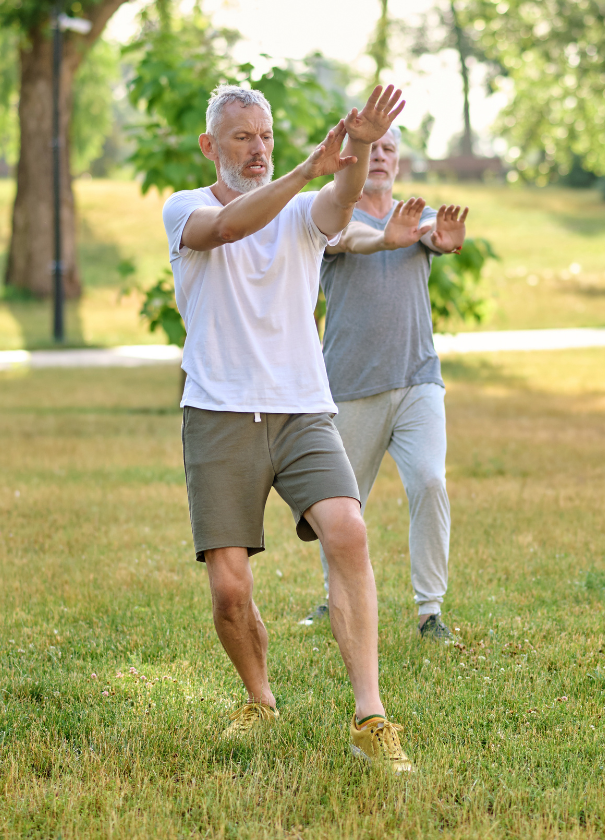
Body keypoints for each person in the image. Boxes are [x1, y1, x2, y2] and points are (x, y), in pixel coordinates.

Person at [162, 83, 413, 771]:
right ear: (212, 146)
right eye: (243, 137)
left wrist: (358, 147)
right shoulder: (183, 207)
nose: (259, 148)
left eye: (265, 135)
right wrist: (307, 167)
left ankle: (371, 714)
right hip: (219, 412)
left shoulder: (304, 212)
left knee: (348, 529)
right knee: (230, 588)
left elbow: (341, 199)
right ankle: (260, 698)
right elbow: (228, 228)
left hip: (302, 405)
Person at [300, 126, 468, 641]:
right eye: (372, 149)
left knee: (431, 481)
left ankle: (430, 611)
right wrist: (385, 240)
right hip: (351, 385)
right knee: (343, 504)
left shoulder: (417, 220)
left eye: (389, 150)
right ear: (354, 159)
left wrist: (445, 242)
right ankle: (336, 598)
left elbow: (437, 238)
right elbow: (349, 240)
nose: (380, 158)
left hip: (418, 379)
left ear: (399, 164)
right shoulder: (330, 216)